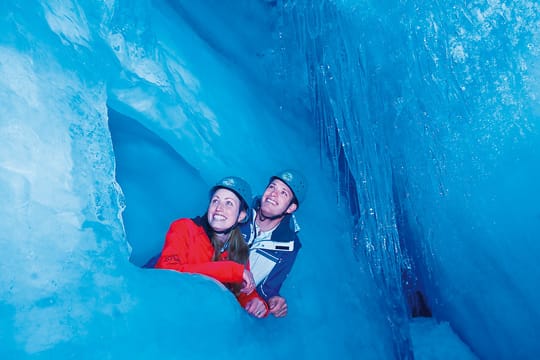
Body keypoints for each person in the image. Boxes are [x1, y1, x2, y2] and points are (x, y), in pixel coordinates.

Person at [150, 176, 269, 318]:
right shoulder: (184, 227)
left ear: (241, 215)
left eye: (229, 203)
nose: (219, 208)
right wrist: (231, 270)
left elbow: (243, 292)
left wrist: (256, 302)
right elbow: (167, 273)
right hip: (159, 307)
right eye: (215, 201)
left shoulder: (239, 250)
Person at [240, 169, 307, 318]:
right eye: (272, 187)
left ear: (291, 208)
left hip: (232, 303)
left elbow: (267, 290)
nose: (273, 194)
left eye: (284, 193)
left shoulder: (289, 247)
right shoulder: (239, 209)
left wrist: (272, 301)